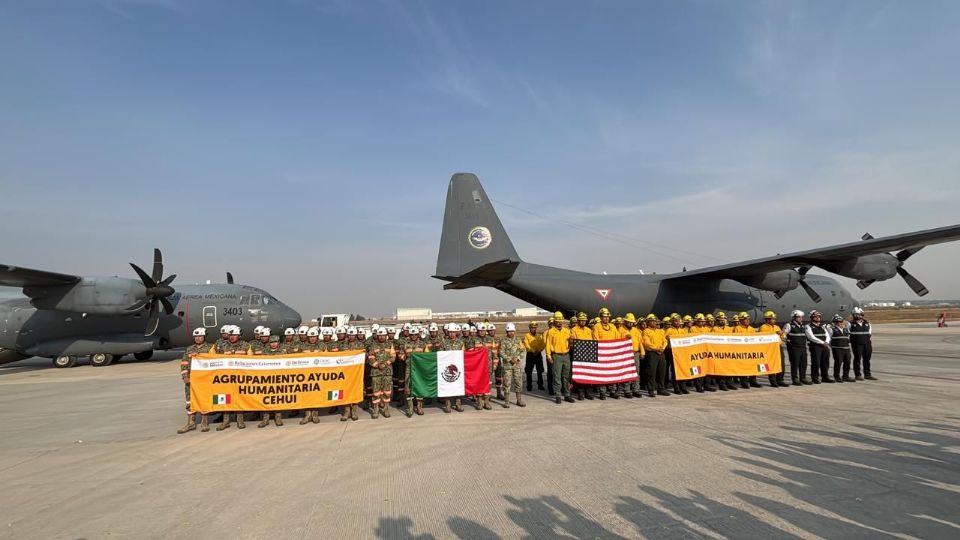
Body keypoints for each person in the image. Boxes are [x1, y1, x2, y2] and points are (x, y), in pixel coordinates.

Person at [177, 327, 212, 434]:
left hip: (204, 379)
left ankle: (204, 422)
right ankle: (191, 423)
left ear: (204, 337)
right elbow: (184, 363)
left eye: (200, 336)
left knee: (204, 399)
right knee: (189, 400)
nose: (197, 338)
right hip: (191, 380)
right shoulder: (189, 349)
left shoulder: (210, 348)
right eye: (196, 336)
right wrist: (185, 376)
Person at [215, 326, 248, 431]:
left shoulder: (246, 345)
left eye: (234, 335)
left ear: (239, 335)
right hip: (226, 377)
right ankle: (225, 421)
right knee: (225, 398)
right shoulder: (222, 346)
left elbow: (251, 359)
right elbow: (214, 359)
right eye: (230, 335)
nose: (232, 337)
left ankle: (240, 420)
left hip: (240, 377)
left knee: (239, 398)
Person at [545, 312, 574, 404]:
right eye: (557, 321)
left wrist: (571, 341)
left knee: (566, 376)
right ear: (554, 321)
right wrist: (548, 355)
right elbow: (548, 344)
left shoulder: (567, 331)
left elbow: (571, 341)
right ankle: (558, 395)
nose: (559, 323)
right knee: (557, 376)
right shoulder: (551, 332)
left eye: (561, 321)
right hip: (556, 356)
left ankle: (567, 394)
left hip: (566, 355)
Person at [366, 328, 396, 418]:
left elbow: (393, 356)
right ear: (377, 336)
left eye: (383, 335)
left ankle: (386, 408)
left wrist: (386, 364)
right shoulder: (372, 345)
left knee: (387, 392)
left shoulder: (390, 344)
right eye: (380, 335)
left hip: (387, 372)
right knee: (376, 392)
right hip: (376, 372)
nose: (382, 337)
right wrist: (377, 365)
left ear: (386, 336)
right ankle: (376, 409)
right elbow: (370, 357)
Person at [592, 307, 620, 398]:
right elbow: (595, 339)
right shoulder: (597, 327)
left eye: (608, 317)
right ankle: (602, 392)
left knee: (613, 373)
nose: (606, 318)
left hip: (612, 354)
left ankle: (612, 391)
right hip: (602, 353)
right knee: (602, 373)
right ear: (600, 317)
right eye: (604, 317)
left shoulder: (613, 327)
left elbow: (617, 338)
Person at [497, 323, 526, 408]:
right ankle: (507, 401)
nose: (511, 333)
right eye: (509, 331)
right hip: (507, 366)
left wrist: (517, 359)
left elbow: (522, 350)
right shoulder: (503, 341)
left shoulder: (518, 340)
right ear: (506, 331)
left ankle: (519, 400)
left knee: (518, 382)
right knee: (507, 383)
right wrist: (509, 359)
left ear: (514, 331)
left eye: (512, 331)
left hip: (517, 365)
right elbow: (501, 352)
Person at [733, 312, 761, 389]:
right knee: (743, 367)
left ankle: (753, 381)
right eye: (745, 319)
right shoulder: (737, 329)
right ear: (741, 320)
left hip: (751, 351)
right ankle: (744, 382)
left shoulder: (751, 329)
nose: (747, 320)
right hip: (742, 351)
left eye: (748, 319)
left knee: (752, 366)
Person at [759, 311, 787, 388]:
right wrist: (775, 333)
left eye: (774, 319)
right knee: (772, 364)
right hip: (770, 348)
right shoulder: (763, 327)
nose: (774, 320)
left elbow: (783, 337)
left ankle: (780, 380)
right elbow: (764, 337)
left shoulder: (777, 327)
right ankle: (773, 381)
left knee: (781, 364)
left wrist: (781, 334)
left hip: (778, 347)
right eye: (772, 319)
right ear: (767, 319)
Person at [642, 315, 668, 397]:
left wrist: (662, 348)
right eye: (652, 321)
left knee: (662, 371)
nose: (654, 322)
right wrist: (657, 349)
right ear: (648, 322)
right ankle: (651, 390)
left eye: (655, 321)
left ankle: (661, 389)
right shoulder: (646, 331)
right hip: (652, 353)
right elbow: (646, 343)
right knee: (651, 372)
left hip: (661, 353)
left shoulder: (660, 331)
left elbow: (665, 341)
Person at [570, 312, 594, 399]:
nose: (583, 322)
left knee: (588, 374)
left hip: (587, 355)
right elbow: (572, 343)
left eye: (584, 321)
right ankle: (581, 393)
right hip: (578, 355)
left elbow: (592, 342)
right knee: (580, 374)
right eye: (581, 321)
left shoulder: (589, 330)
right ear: (578, 321)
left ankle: (588, 392)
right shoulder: (574, 330)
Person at [783, 310, 810, 386]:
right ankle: (795, 379)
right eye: (798, 317)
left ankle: (803, 378)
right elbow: (784, 334)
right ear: (794, 317)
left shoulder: (803, 326)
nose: (800, 318)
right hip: (793, 348)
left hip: (802, 347)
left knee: (803, 363)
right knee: (795, 363)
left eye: (801, 317)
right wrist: (787, 341)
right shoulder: (789, 325)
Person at [805, 310, 832, 383]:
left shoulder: (822, 326)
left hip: (825, 346)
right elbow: (811, 337)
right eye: (815, 317)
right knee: (816, 362)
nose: (818, 318)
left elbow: (827, 335)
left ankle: (825, 377)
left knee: (825, 362)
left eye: (819, 316)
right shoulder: (808, 326)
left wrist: (826, 342)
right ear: (811, 317)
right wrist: (822, 342)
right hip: (815, 347)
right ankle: (815, 377)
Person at [849, 307, 876, 381]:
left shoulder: (867, 323)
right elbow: (848, 334)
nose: (857, 316)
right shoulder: (850, 324)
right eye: (855, 315)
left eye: (859, 314)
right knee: (857, 359)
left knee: (867, 359)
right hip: (857, 344)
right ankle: (858, 375)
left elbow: (869, 334)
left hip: (867, 344)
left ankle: (867, 374)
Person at [622, 313, 644, 398]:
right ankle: (627, 390)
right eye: (629, 322)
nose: (630, 324)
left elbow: (640, 342)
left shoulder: (636, 330)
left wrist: (642, 352)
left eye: (632, 322)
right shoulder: (621, 330)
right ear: (625, 321)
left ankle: (636, 389)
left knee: (636, 372)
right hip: (626, 353)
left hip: (635, 353)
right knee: (627, 372)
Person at [663, 315, 687, 395]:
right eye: (675, 321)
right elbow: (663, 339)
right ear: (672, 322)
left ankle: (683, 387)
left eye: (678, 321)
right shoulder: (669, 330)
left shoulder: (683, 330)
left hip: (681, 352)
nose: (677, 322)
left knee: (682, 369)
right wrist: (667, 338)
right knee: (674, 370)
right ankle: (676, 388)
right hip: (671, 351)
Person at [828, 314, 854, 383]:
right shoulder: (831, 329)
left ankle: (846, 376)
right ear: (833, 322)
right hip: (837, 349)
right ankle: (837, 376)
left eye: (840, 321)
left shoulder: (845, 329)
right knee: (838, 363)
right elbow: (828, 339)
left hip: (846, 348)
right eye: (836, 322)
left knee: (847, 362)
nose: (839, 323)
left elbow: (848, 338)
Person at [522, 322, 546, 392]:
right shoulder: (527, 336)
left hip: (538, 354)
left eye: (535, 328)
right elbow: (526, 345)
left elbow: (543, 344)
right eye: (532, 328)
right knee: (529, 371)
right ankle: (529, 385)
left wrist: (539, 351)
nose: (533, 329)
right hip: (530, 355)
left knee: (540, 370)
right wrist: (532, 351)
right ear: (529, 328)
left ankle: (540, 385)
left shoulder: (539, 336)